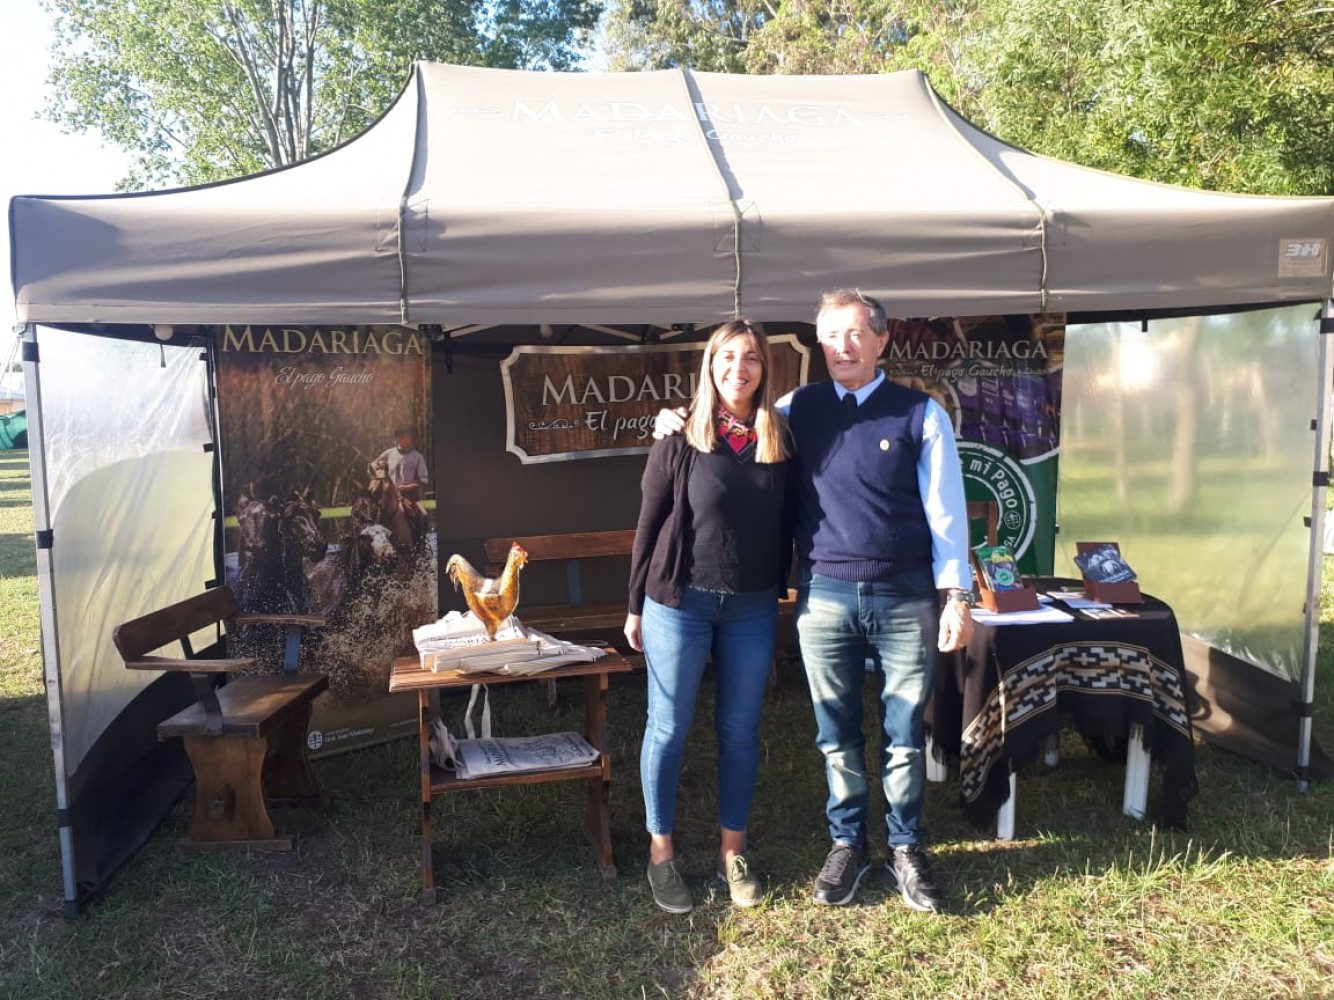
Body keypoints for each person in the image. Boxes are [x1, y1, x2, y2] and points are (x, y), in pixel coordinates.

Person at [654, 289, 973, 912]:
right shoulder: (793, 410)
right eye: (830, 336)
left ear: (882, 340)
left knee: (904, 735)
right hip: (825, 593)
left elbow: (947, 513)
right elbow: (727, 416)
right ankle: (848, 843)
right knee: (836, 733)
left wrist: (955, 596)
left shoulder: (920, 414)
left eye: (855, 334)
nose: (842, 347)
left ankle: (906, 848)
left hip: (906, 595)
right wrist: (670, 419)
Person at [625, 319, 792, 914]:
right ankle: (662, 854)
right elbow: (648, 525)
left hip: (751, 607)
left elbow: (793, 519)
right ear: (710, 365)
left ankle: (732, 852)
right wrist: (633, 606)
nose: (737, 369)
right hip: (679, 603)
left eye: (750, 358)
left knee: (740, 732)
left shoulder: (780, 439)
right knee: (668, 728)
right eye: (726, 357)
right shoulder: (679, 437)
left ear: (764, 369)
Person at [373, 427, 429, 499]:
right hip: (389, 495)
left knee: (419, 507)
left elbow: (424, 481)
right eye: (401, 437)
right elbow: (373, 466)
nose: (404, 440)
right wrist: (381, 478)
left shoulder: (417, 457)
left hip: (410, 496)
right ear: (397, 438)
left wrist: (407, 487)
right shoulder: (389, 453)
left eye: (407, 437)